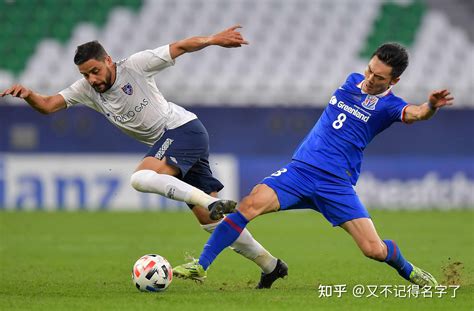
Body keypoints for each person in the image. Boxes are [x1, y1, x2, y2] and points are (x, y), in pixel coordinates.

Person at [1, 25, 287, 289]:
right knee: (210, 222)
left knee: (140, 178)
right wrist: (28, 95)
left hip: (183, 130)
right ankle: (271, 265)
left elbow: (180, 46)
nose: (92, 79)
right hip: (173, 141)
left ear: (108, 60)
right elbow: (50, 105)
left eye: (95, 71)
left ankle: (210, 201)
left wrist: (213, 40)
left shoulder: (136, 65)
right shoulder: (87, 90)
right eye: (85, 75)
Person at [173, 43, 454, 287]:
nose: (369, 78)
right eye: (369, 69)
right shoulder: (351, 81)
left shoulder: (390, 106)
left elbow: (416, 114)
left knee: (374, 250)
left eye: (378, 77)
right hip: (300, 171)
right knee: (248, 206)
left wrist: (430, 105)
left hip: (336, 184)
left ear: (394, 81)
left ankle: (410, 270)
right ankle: (201, 265)